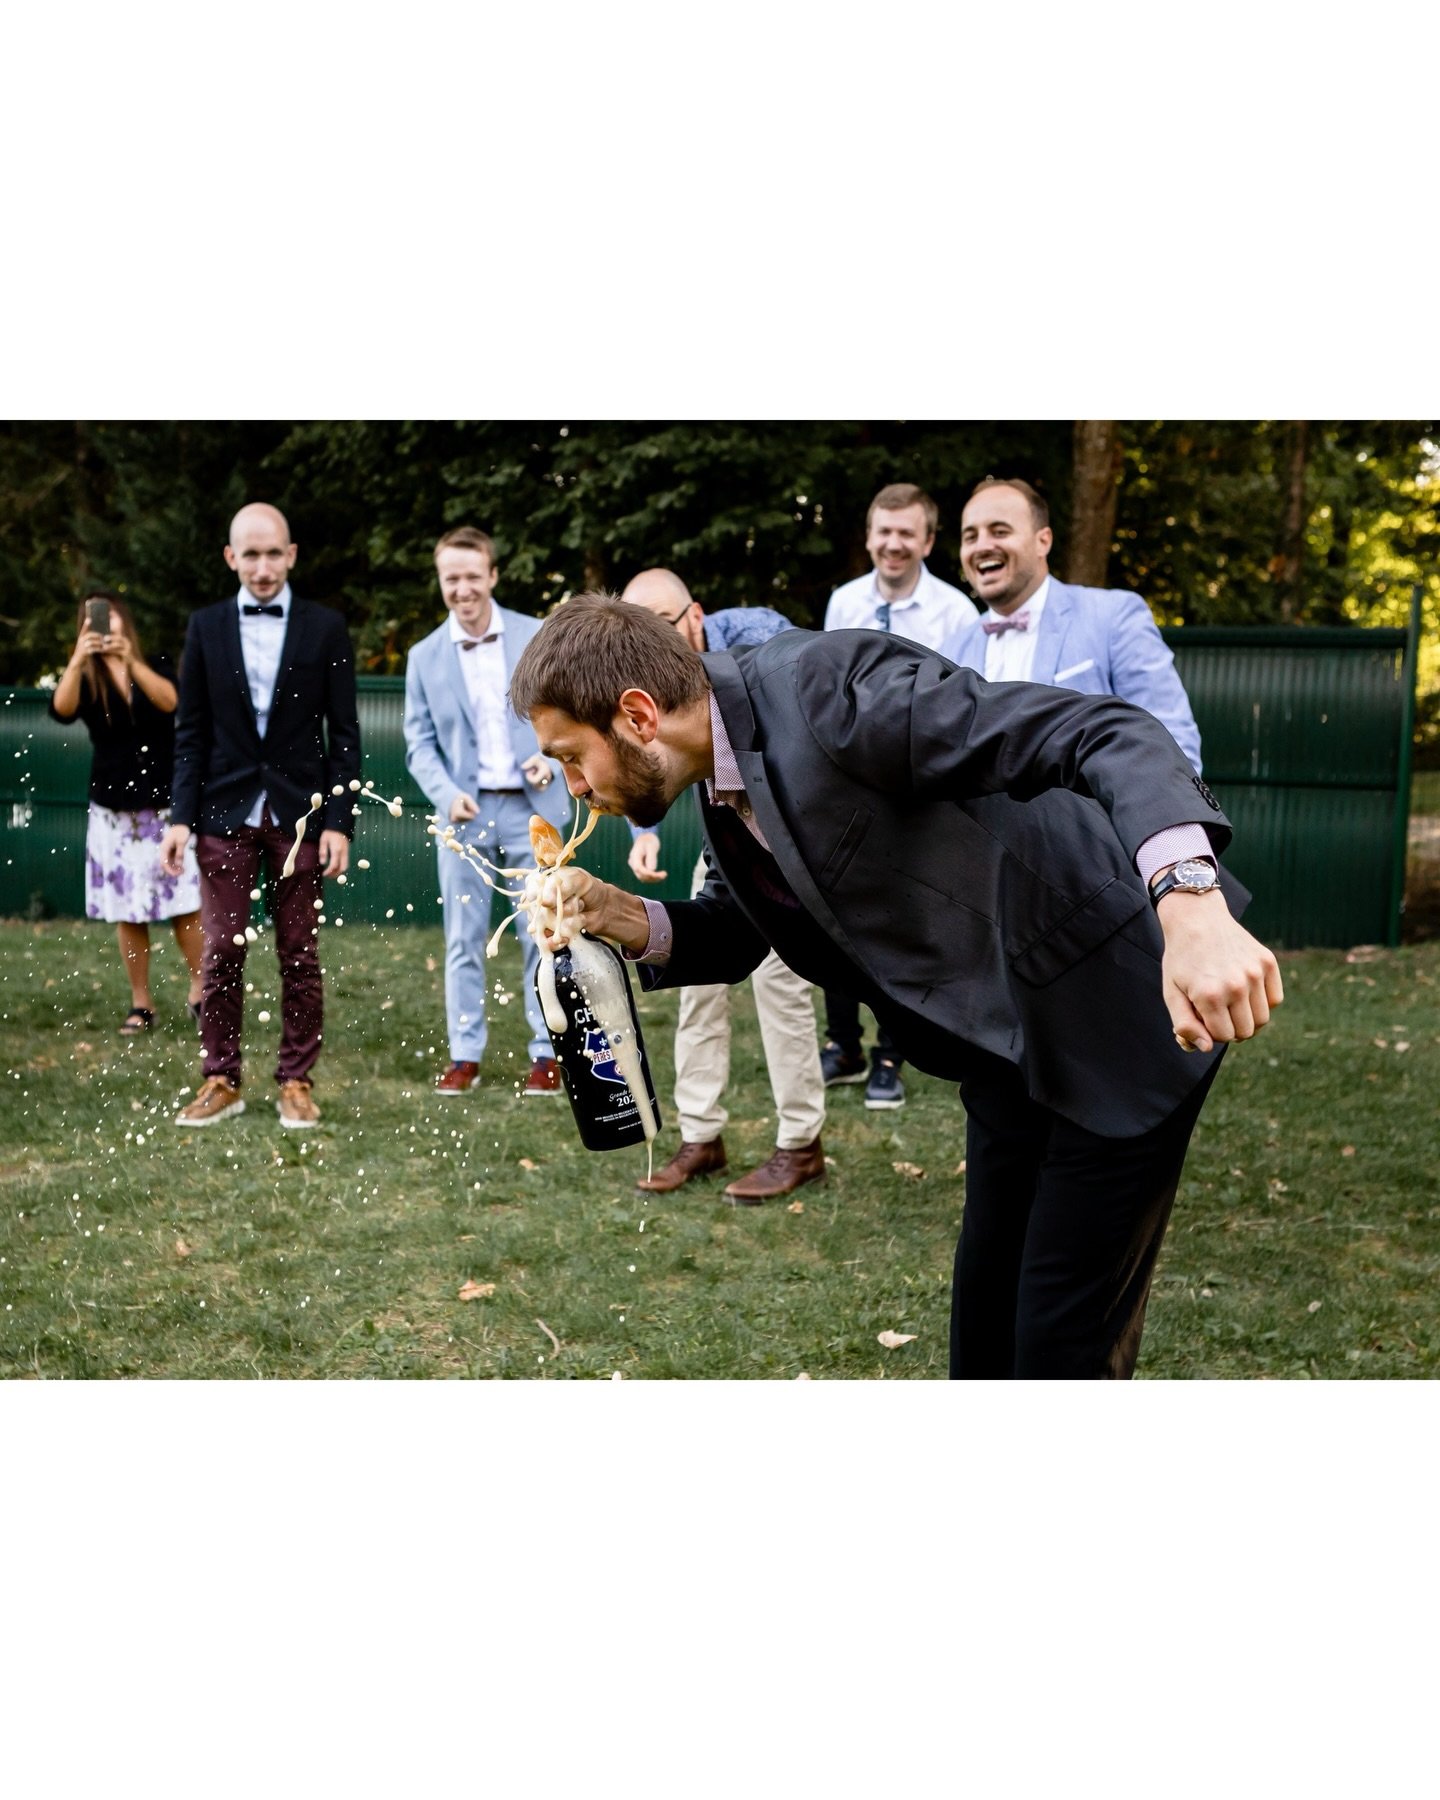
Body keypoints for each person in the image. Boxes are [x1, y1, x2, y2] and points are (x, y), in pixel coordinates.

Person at [507, 596, 1284, 1380]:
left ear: (638, 715)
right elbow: (742, 928)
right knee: (984, 1334)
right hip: (1003, 1047)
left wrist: (1190, 903)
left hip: (1117, 1004)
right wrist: (615, 913)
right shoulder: (718, 778)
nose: (572, 786)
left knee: (1059, 1346)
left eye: (573, 757)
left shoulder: (828, 687)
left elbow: (1101, 730)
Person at [620, 568, 826, 1203]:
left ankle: (801, 1144)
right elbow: (636, 751)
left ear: (696, 615)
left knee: (781, 984)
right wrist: (643, 832)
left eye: (663, 628)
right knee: (698, 986)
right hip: (721, 841)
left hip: (782, 839)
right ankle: (701, 1136)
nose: (653, 649)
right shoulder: (644, 680)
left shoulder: (759, 637)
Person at [160, 503, 361, 1129]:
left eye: (274, 553)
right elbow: (190, 733)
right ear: (231, 558)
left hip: (302, 815)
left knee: (299, 951)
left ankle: (296, 1080)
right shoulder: (205, 627)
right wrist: (180, 816)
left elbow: (345, 735)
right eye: (251, 554)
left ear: (291, 554)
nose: (264, 566)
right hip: (223, 812)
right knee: (221, 949)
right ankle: (221, 1079)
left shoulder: (326, 627)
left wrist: (339, 821)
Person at [820, 482, 980, 1110]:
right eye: (883, 531)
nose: (893, 543)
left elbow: (963, 701)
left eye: (906, 533)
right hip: (843, 780)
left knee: (899, 920)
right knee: (833, 913)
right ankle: (843, 1045)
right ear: (868, 536)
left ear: (928, 541)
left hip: (915, 783)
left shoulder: (956, 614)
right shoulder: (844, 602)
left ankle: (892, 1054)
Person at [402, 526, 569, 1096]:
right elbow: (418, 743)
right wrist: (446, 793)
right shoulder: (423, 656)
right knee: (463, 938)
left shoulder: (537, 634)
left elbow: (569, 709)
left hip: (533, 810)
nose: (463, 589)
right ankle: (464, 1054)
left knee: (541, 933)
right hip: (464, 816)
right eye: (452, 578)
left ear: (493, 575)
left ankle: (547, 1052)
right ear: (440, 580)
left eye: (472, 576)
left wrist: (551, 760)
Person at [942, 477, 1204, 772]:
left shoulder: (1113, 617)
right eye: (970, 537)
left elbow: (1171, 742)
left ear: (1043, 541)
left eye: (1000, 531)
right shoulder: (950, 651)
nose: (982, 546)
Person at [48, 590, 204, 1034]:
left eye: (109, 615)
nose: (103, 624)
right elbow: (61, 710)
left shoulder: (153, 663)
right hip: (114, 809)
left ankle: (201, 992)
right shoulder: (85, 677)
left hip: (166, 805)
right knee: (129, 911)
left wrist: (130, 661)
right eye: (92, 618)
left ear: (124, 621)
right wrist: (78, 659)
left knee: (185, 904)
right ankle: (141, 1003)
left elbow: (171, 702)